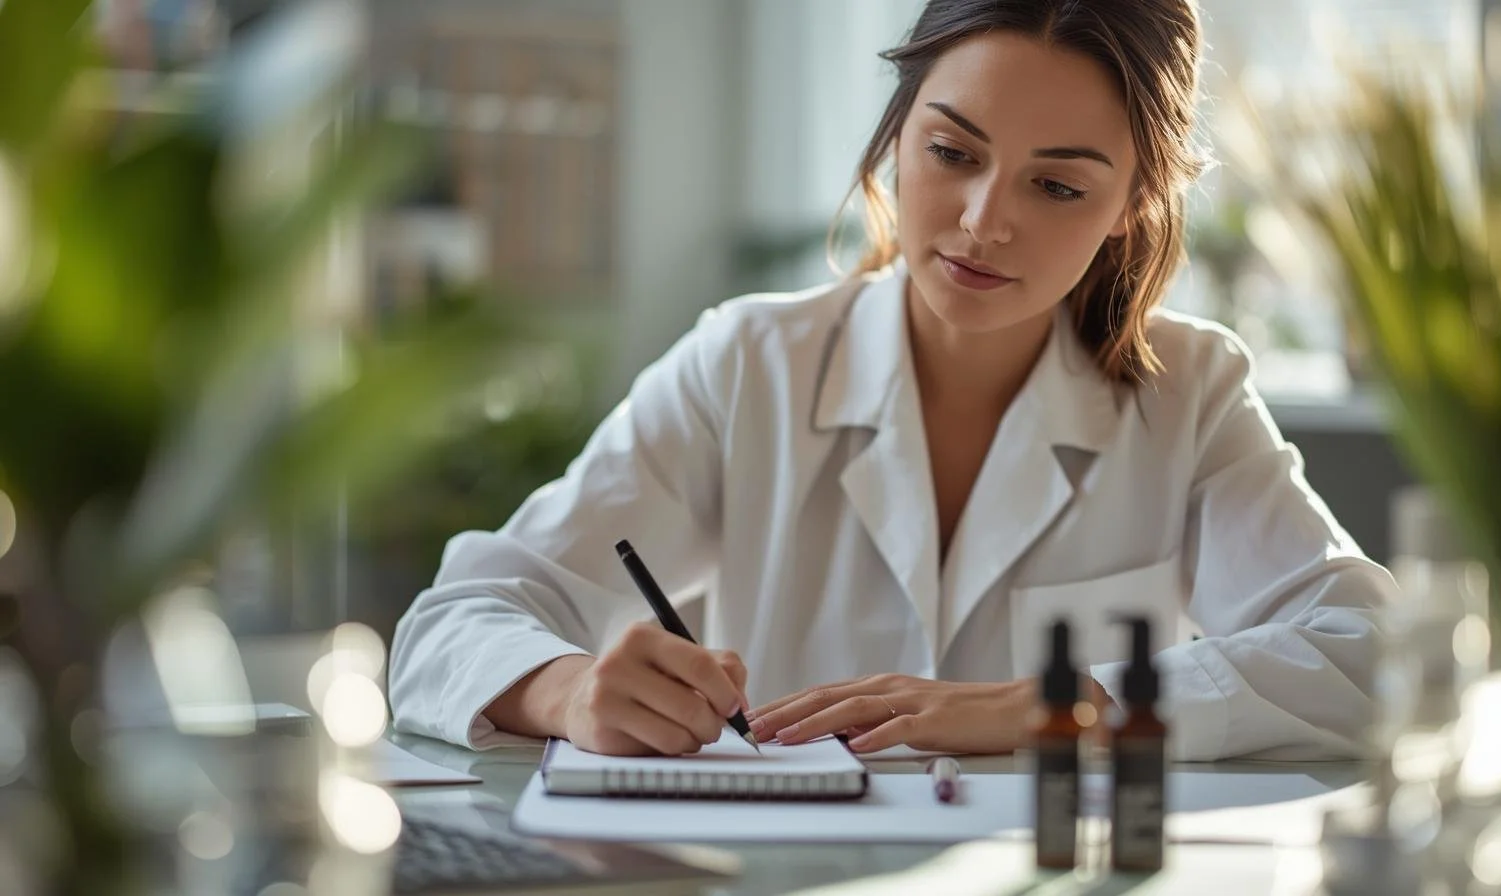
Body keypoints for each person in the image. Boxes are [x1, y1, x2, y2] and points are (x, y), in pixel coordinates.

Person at [388, 0, 1395, 762]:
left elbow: (1371, 650)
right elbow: (450, 622)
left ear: (1134, 199)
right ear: (899, 133)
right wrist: (568, 690)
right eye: (952, 151)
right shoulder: (749, 366)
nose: (979, 219)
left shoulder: (1192, 392)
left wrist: (1055, 702)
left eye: (1055, 184)